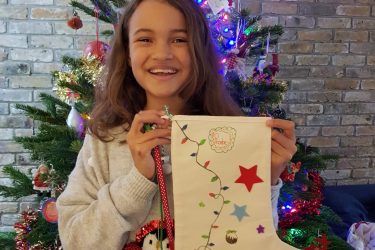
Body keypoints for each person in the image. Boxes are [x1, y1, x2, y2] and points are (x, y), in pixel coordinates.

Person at [56, 0, 297, 249]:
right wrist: (136, 181)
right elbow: (76, 241)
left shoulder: (228, 136)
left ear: (198, 51)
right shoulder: (104, 139)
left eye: (179, 40)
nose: (162, 54)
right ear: (128, 54)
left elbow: (251, 240)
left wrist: (265, 179)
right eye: (145, 39)